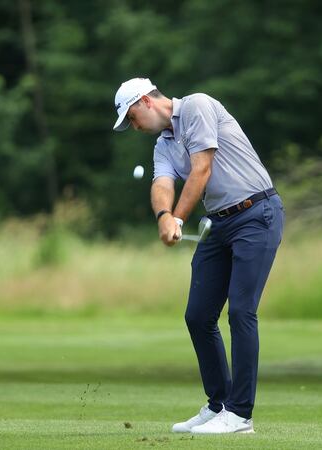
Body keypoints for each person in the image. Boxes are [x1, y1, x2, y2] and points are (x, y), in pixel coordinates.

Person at [112, 77, 284, 434]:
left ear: (145, 101)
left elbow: (202, 168)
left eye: (131, 117)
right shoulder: (163, 145)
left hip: (256, 214)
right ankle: (219, 404)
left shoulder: (197, 106)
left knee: (240, 311)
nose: (134, 126)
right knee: (198, 315)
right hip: (219, 224)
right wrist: (163, 217)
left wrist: (178, 217)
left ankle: (240, 416)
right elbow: (162, 183)